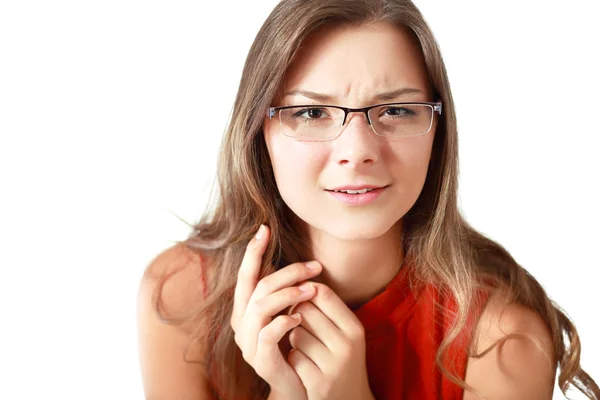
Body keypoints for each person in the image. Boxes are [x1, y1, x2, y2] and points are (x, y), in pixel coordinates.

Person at [137, 0, 599, 399]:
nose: (357, 152)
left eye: (396, 110)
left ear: (438, 130)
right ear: (260, 132)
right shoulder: (179, 297)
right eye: (312, 112)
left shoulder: (502, 342)